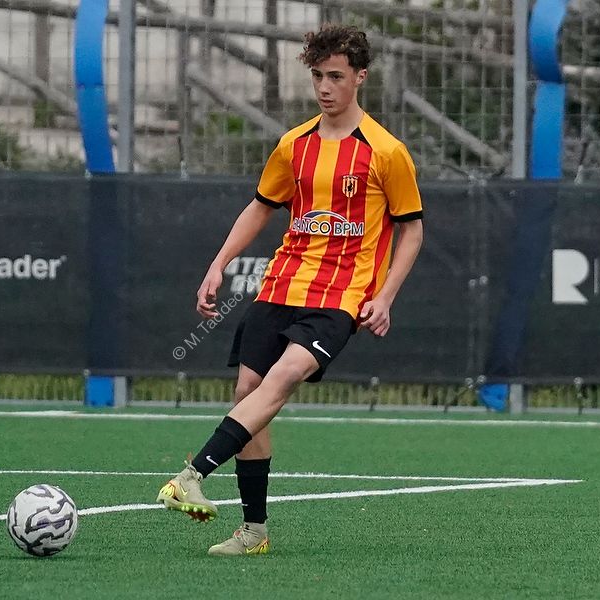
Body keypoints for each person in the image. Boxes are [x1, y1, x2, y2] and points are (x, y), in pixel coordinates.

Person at [156, 23, 424, 556]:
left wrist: (386, 295)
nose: (325, 87)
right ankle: (253, 532)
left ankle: (191, 475)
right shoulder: (294, 145)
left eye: (336, 76)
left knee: (280, 379)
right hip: (281, 285)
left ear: (360, 77)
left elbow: (411, 228)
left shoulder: (386, 152)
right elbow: (260, 208)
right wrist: (218, 265)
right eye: (318, 76)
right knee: (247, 394)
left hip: (341, 297)